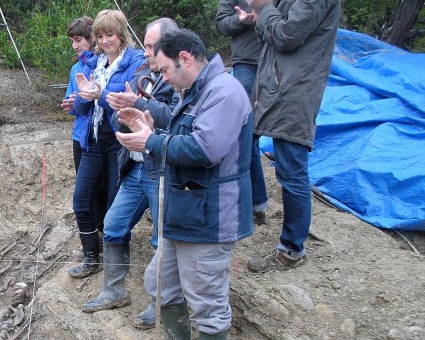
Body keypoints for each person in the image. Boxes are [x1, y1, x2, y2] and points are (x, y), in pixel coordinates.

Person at [116, 29, 253, 339]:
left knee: (208, 307)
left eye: (164, 70)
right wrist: (150, 130)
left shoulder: (224, 92)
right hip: (184, 211)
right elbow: (183, 141)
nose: (163, 78)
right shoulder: (195, 91)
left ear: (185, 58)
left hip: (209, 216)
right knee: (161, 286)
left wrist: (150, 142)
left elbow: (205, 150)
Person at [80, 18, 179, 331]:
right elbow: (122, 112)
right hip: (135, 165)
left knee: (160, 239)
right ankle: (114, 290)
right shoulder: (142, 73)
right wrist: (114, 103)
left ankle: (159, 301)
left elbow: (175, 118)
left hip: (162, 166)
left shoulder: (178, 78)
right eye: (147, 46)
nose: (147, 52)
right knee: (113, 224)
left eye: (153, 46)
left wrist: (137, 105)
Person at [245, 0, 342, 272]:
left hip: (294, 91)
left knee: (292, 170)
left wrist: (264, 7)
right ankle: (285, 236)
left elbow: (286, 35)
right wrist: (261, 12)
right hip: (283, 88)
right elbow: (273, 32)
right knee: (286, 166)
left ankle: (291, 249)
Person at [68, 9, 145, 278]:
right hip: (93, 138)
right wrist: (84, 94)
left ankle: (116, 267)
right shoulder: (95, 62)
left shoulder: (135, 61)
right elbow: (80, 106)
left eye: (109, 34)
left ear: (121, 34)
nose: (105, 40)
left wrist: (99, 93)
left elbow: (127, 97)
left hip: (120, 140)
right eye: (100, 36)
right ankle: (91, 256)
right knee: (80, 198)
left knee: (114, 205)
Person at [216, 0, 268, 225]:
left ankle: (255, 203)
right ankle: (255, 204)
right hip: (247, 62)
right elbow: (222, 24)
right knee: (244, 133)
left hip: (280, 59)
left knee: (272, 136)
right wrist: (240, 20)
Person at [60, 16, 108, 247]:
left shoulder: (104, 65)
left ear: (91, 38)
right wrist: (71, 103)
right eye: (72, 41)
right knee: (85, 189)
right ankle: (94, 239)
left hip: (103, 136)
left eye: (78, 40)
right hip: (80, 136)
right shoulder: (75, 69)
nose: (75, 46)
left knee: (103, 187)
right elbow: (72, 104)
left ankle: (105, 232)